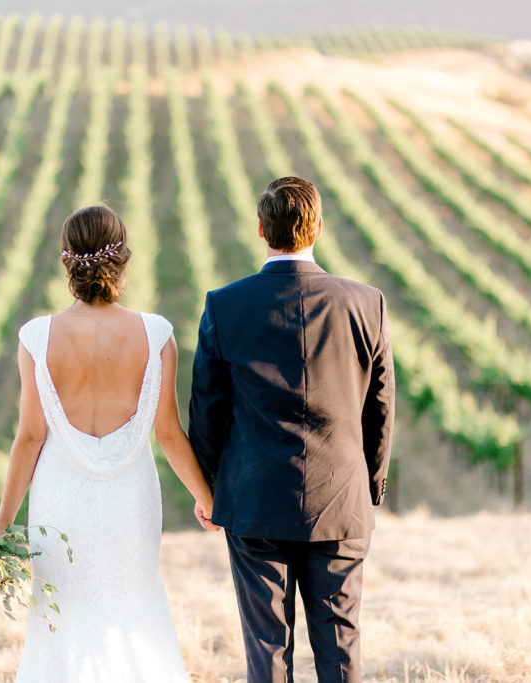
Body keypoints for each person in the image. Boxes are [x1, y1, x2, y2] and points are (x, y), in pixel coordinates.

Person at [0, 204, 218, 682]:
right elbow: (167, 432)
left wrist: (1, 521)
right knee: (134, 607)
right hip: (131, 499)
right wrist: (208, 499)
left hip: (59, 501)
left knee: (62, 615)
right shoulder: (156, 334)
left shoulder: (37, 338)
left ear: (67, 261)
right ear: (122, 257)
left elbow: (29, 438)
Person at [188, 176, 396, 682]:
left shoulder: (224, 305)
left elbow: (207, 410)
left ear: (261, 229)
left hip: (254, 502)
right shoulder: (366, 303)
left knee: (267, 652)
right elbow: (381, 406)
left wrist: (212, 491)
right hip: (341, 499)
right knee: (341, 650)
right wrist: (368, 486)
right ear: (318, 227)